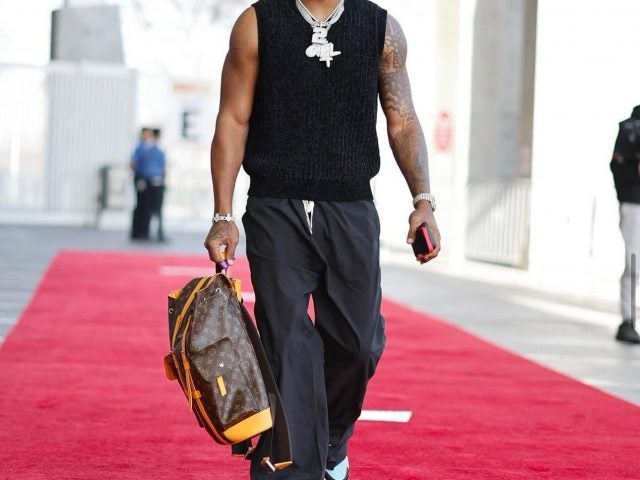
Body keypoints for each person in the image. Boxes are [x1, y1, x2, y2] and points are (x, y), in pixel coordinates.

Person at [204, 1, 441, 479]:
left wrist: (423, 200)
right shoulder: (257, 23)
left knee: (358, 344)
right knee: (288, 345)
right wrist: (223, 214)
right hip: (276, 207)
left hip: (351, 208)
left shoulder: (381, 29)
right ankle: (291, 466)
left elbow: (402, 119)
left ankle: (331, 441)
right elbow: (233, 118)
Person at [611, 106, 640, 344]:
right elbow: (618, 166)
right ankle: (628, 319)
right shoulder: (630, 128)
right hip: (634, 203)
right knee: (634, 262)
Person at [130, 128, 167, 241]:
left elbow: (163, 166)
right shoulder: (141, 148)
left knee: (154, 208)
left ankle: (154, 233)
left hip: (156, 181)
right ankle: (140, 232)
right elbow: (134, 164)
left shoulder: (157, 149)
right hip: (144, 180)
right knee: (142, 207)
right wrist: (139, 177)